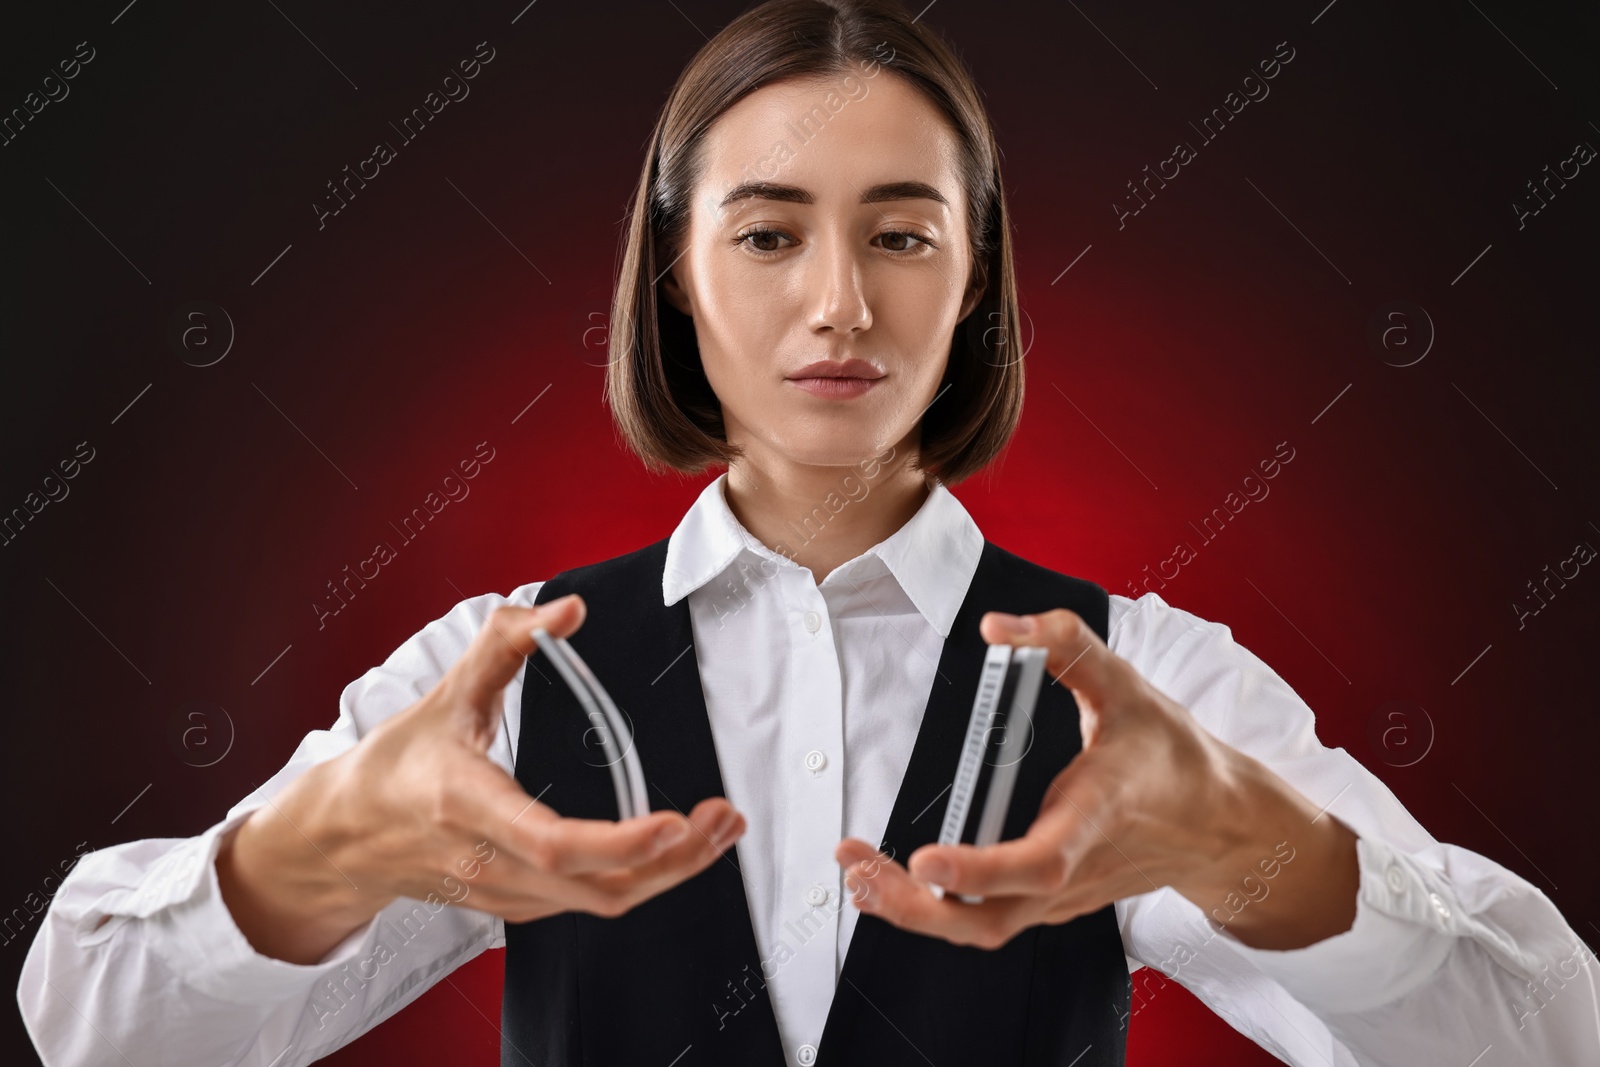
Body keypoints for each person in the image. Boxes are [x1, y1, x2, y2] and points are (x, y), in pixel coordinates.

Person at [18, 1, 1598, 1064]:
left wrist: (1259, 856)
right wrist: (309, 855)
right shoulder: (509, 683)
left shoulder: (1147, 683)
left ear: (975, 276)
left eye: (904, 234)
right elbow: (83, 1016)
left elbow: (1550, 1032)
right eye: (768, 233)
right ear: (675, 277)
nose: (840, 304)